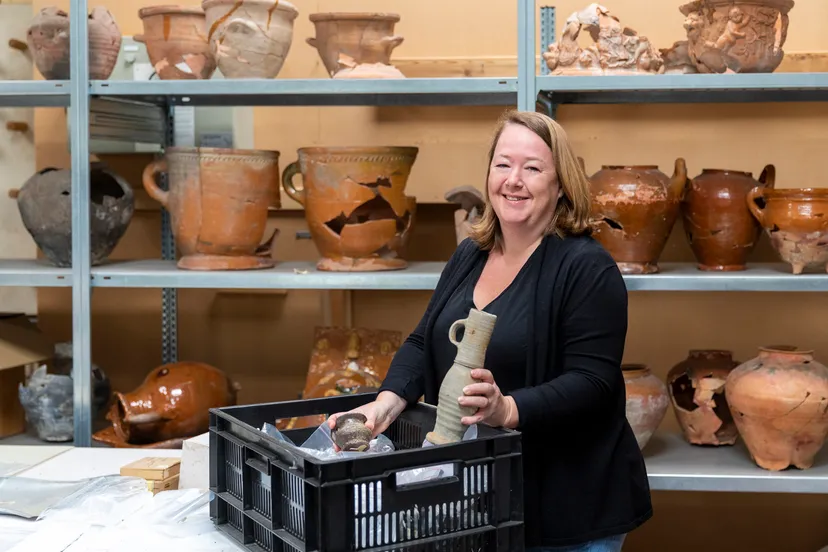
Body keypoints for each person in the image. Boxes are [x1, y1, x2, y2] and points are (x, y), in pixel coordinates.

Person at [327, 110, 652, 551]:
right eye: (503, 164)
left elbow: (592, 382)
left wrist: (507, 410)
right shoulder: (470, 255)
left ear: (561, 185)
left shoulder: (587, 268)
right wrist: (385, 405)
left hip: (569, 504)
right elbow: (423, 341)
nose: (513, 180)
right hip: (486, 498)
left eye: (532, 168)